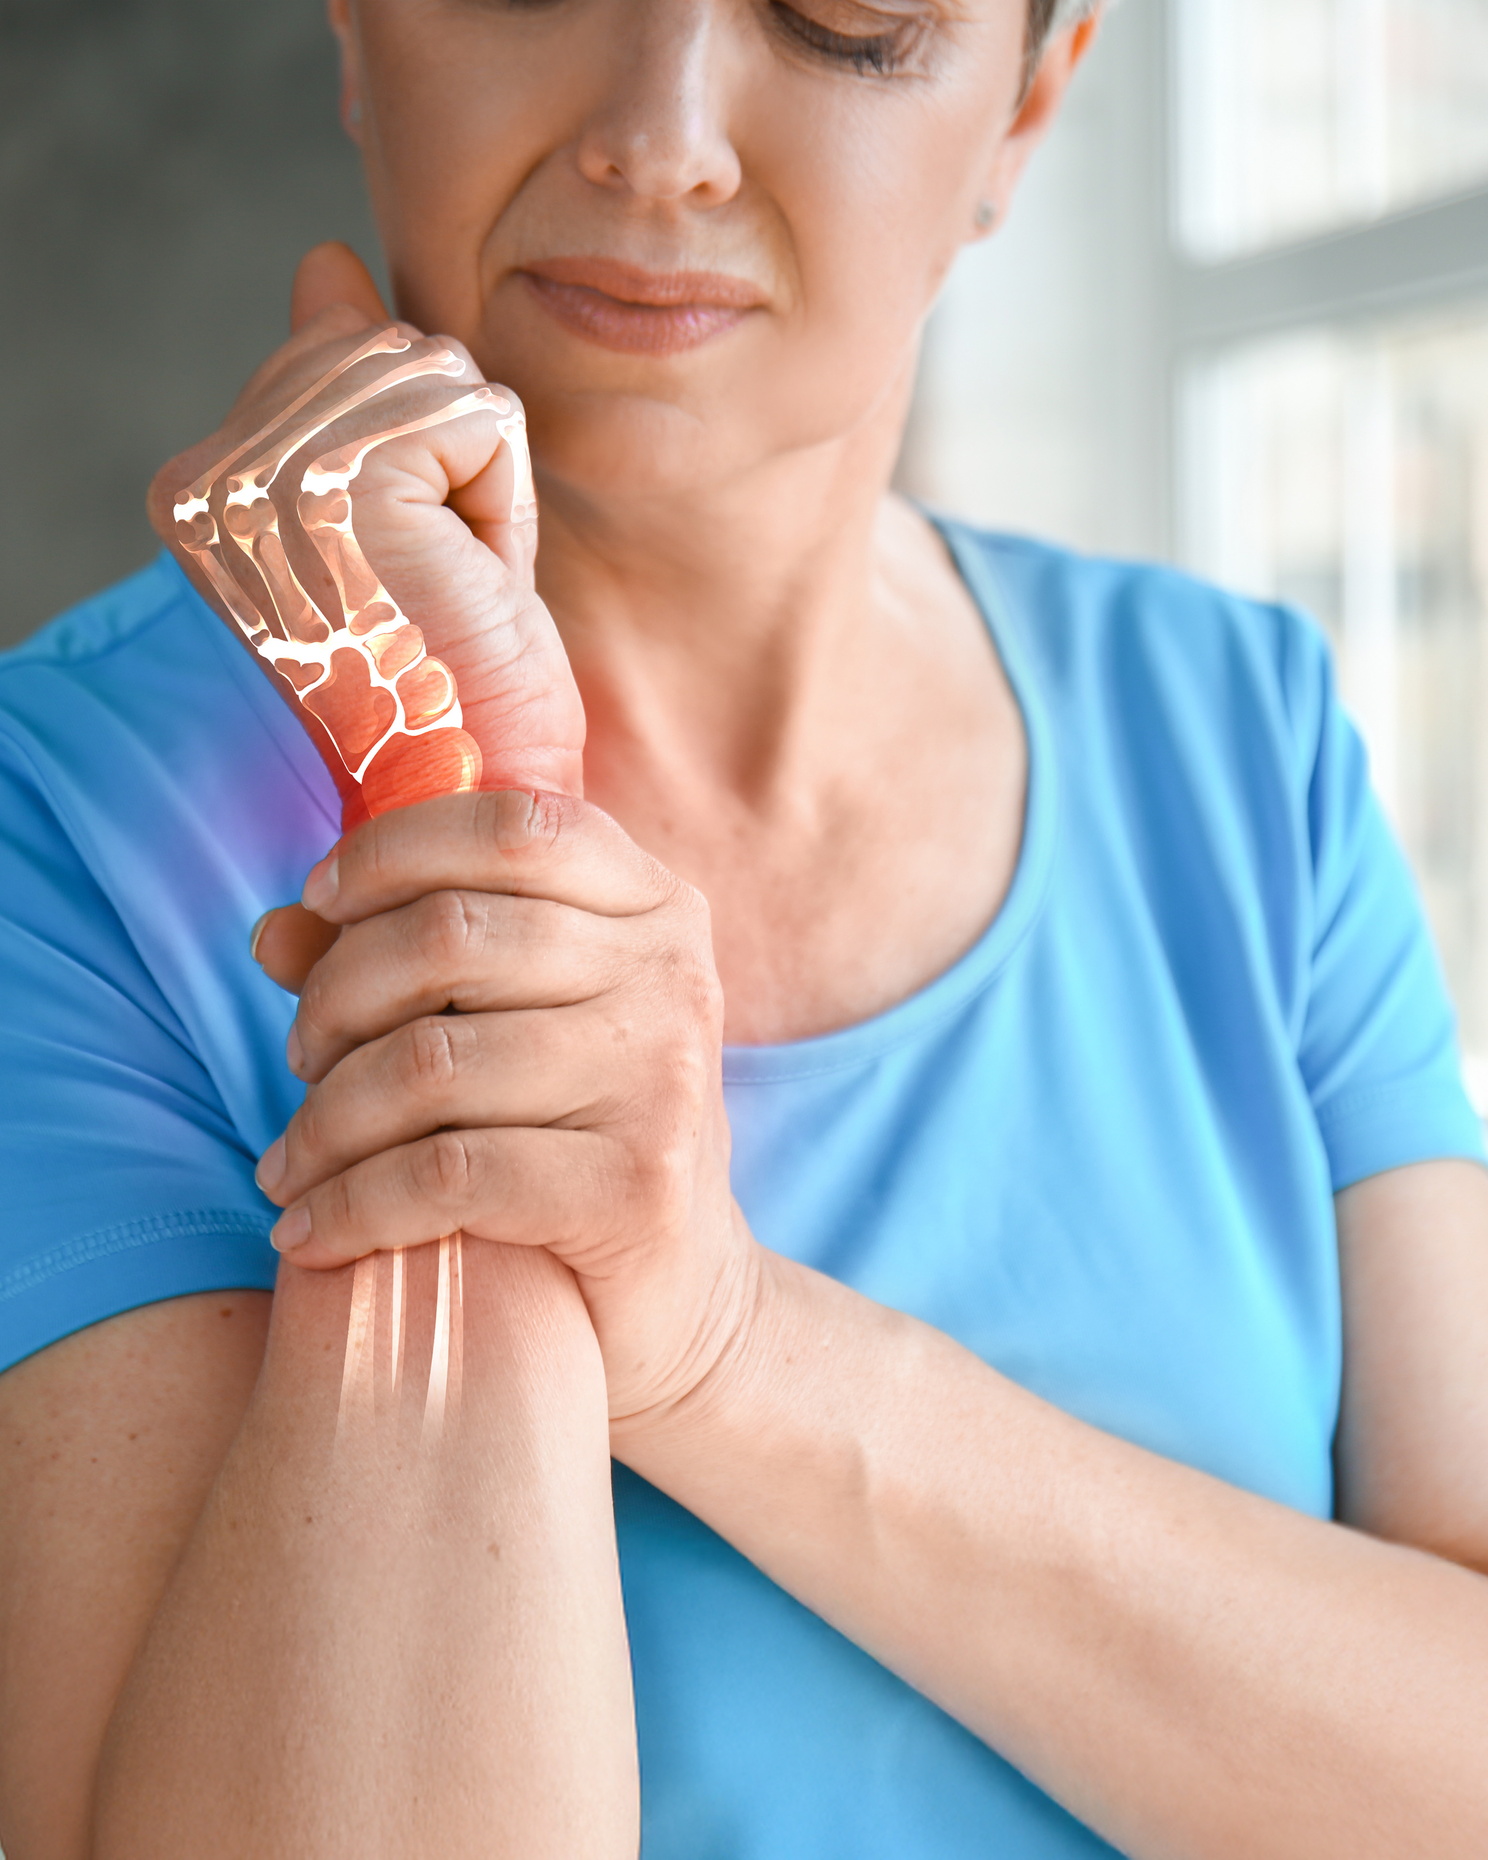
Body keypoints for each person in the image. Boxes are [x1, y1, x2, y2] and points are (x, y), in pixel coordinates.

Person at [2, 0, 1487, 1852]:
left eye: (848, 16)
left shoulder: (1243, 732)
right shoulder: (58, 822)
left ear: (1031, 103)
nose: (662, 138)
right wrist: (449, 786)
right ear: (358, 30)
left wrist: (727, 1347)